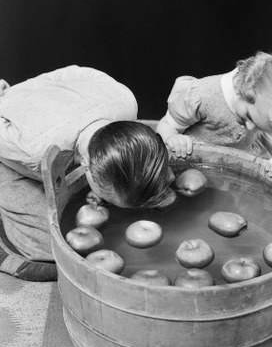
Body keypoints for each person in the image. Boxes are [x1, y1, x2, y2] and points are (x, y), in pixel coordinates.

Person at [0, 65, 171, 282]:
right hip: (10, 145)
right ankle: (5, 249)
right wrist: (10, 96)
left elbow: (78, 72)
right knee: (51, 248)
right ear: (87, 166)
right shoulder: (32, 150)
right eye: (107, 197)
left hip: (50, 100)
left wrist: (44, 84)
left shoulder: (126, 102)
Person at [157, 48, 272, 178]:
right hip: (194, 167)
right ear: (246, 89)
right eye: (249, 116)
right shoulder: (203, 96)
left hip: (238, 170)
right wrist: (172, 137)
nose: (249, 126)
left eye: (261, 127)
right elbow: (165, 126)